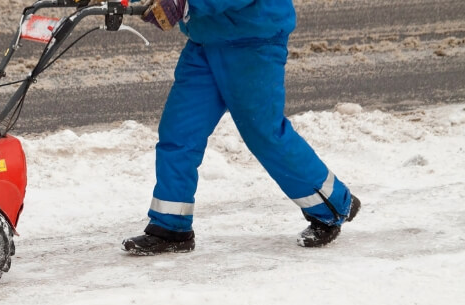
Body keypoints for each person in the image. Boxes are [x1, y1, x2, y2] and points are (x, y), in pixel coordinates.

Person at [122, 0, 361, 255]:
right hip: (205, 41)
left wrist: (184, 4)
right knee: (179, 131)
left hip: (254, 41)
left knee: (265, 134)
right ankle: (170, 227)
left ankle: (333, 204)